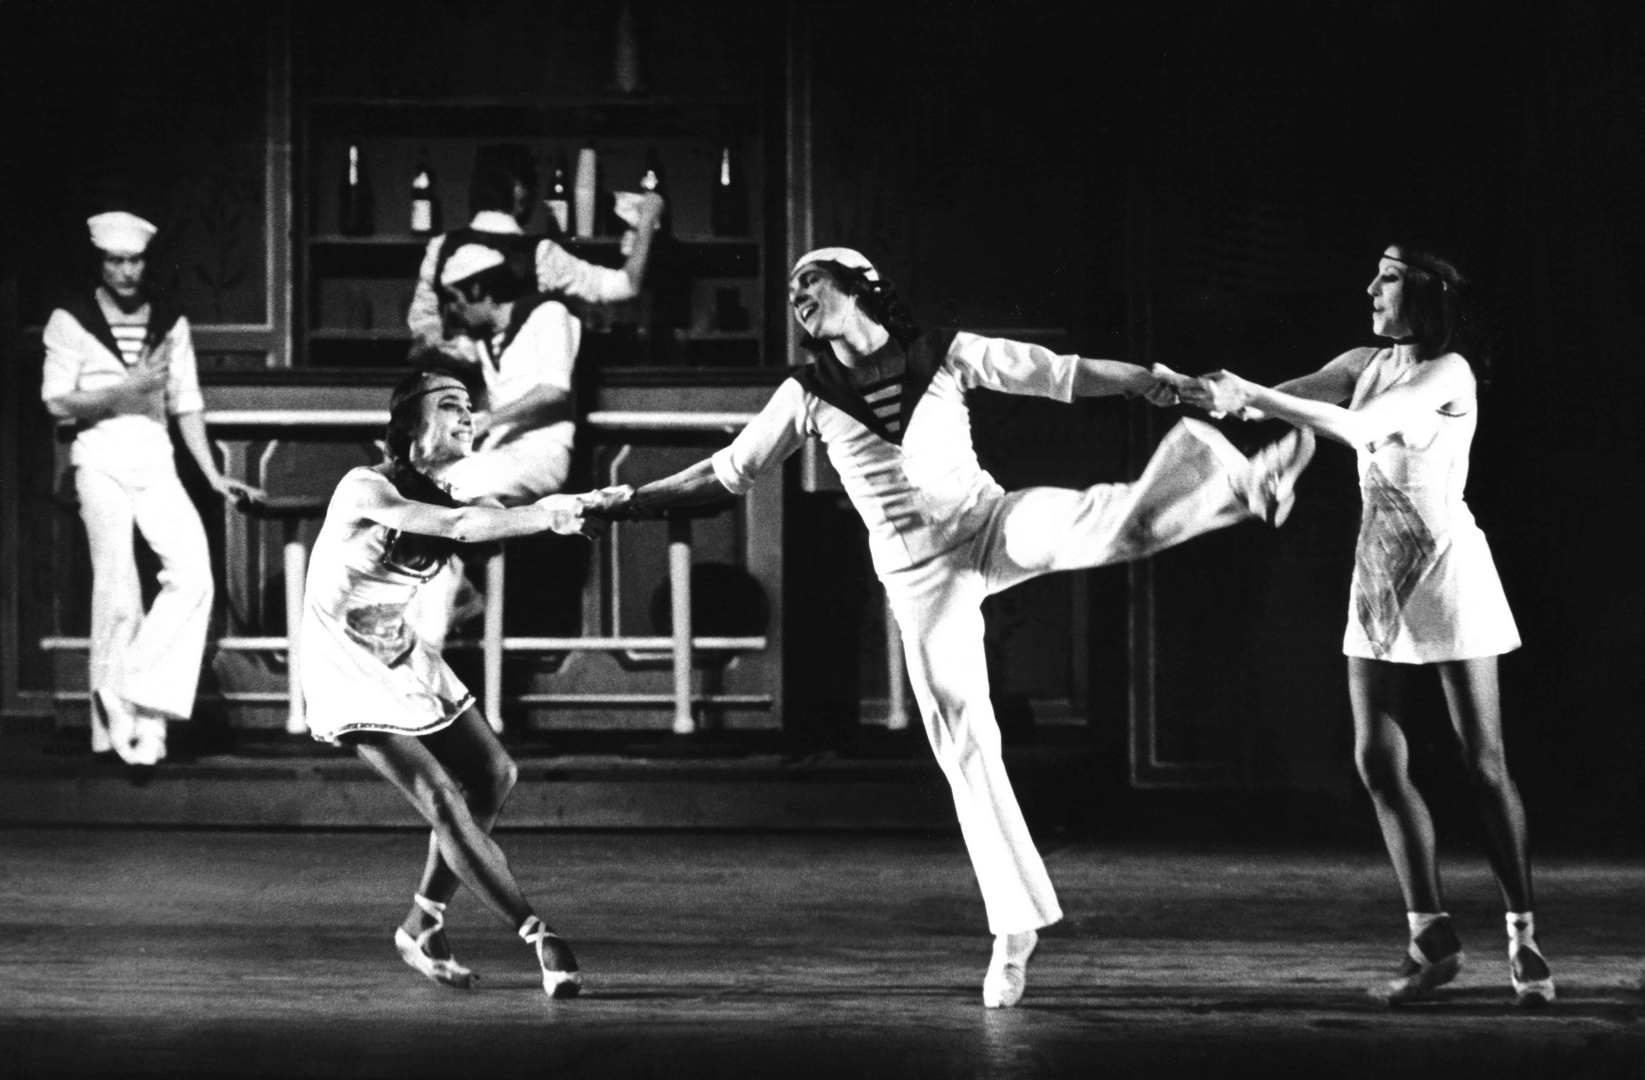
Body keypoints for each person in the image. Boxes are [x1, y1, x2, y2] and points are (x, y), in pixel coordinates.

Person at [587, 247, 1316, 1008]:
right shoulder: (806, 392)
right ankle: (1014, 930)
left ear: (860, 288)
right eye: (792, 287)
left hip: (989, 523)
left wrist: (1150, 380)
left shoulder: (943, 352)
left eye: (811, 281)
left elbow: (1058, 373)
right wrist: (629, 499)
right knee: (963, 735)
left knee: (1111, 523)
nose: (796, 295)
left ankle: (1238, 483)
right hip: (919, 577)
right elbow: (724, 473)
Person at [1180, 243, 1554, 1007]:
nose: (1369, 288)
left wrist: (1252, 393)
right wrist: (1192, 390)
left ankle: (1523, 939)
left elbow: (1354, 427)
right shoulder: (1362, 362)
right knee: (1376, 760)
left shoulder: (1447, 372)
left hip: (1446, 569)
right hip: (1378, 570)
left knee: (1482, 763)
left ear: (1428, 292)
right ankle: (1430, 938)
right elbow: (1278, 400)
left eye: (1386, 277)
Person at [299, 368, 617, 999]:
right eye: (449, 405)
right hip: (344, 664)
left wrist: (586, 507)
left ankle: (423, 923)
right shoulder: (364, 485)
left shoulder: (456, 492)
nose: (467, 415)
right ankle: (537, 933)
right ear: (409, 424)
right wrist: (548, 515)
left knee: (494, 776)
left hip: (399, 651)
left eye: (470, 405)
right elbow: (461, 528)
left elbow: (491, 518)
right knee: (442, 796)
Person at [404, 144, 664, 649]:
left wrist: (474, 403)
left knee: (442, 496)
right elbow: (624, 285)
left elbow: (423, 335)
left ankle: (432, 629)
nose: (456, 312)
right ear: (522, 192)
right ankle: (442, 616)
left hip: (521, 448)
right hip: (491, 448)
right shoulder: (540, 257)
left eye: (458, 303)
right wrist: (647, 223)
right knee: (441, 504)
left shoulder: (445, 251)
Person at [40, 211, 261, 772]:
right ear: (100, 262)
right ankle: (122, 730)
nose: (126, 271)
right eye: (115, 261)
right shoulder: (72, 320)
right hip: (100, 463)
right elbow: (57, 400)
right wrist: (127, 389)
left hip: (156, 463)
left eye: (134, 260)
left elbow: (187, 403)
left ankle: (134, 694)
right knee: (118, 591)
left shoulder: (169, 321)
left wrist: (211, 475)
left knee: (194, 576)